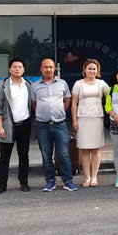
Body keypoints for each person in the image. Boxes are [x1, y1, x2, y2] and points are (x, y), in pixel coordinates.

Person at [32, 58, 78, 192]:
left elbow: (67, 99)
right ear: (41, 69)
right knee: (46, 155)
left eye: (51, 67)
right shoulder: (34, 85)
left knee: (64, 154)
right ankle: (50, 181)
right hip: (42, 125)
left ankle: (68, 181)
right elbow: (34, 103)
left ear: (54, 69)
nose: (49, 69)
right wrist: (44, 113)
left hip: (59, 124)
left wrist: (60, 111)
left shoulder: (62, 83)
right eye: (46, 67)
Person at [0, 58, 34, 194]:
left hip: (25, 124)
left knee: (24, 155)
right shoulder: (3, 85)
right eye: (15, 67)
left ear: (23, 70)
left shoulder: (29, 85)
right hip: (7, 125)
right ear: (10, 69)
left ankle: (24, 182)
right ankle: (2, 185)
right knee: (4, 157)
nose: (17, 69)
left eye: (20, 67)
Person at [70, 58, 109, 187]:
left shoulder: (101, 84)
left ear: (97, 70)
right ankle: (86, 177)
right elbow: (74, 103)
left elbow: (111, 97)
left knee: (96, 149)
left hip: (97, 118)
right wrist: (74, 120)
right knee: (84, 149)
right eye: (89, 68)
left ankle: (94, 177)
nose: (92, 71)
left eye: (94, 69)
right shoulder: (78, 84)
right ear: (84, 70)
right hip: (82, 118)